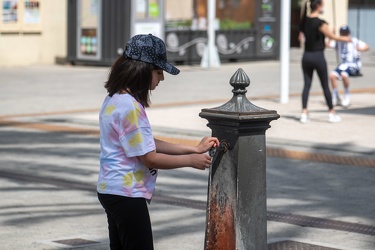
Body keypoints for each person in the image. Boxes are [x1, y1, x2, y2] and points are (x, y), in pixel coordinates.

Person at [97, 34, 220, 250]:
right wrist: (191, 160)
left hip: (111, 189)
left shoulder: (115, 98)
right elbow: (149, 158)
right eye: (158, 71)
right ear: (142, 70)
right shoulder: (130, 108)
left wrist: (193, 148)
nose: (161, 78)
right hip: (127, 194)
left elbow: (145, 143)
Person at [298, 0, 351, 123]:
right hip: (318, 57)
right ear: (318, 6)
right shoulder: (321, 23)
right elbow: (332, 37)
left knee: (306, 85)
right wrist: (345, 38)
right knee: (325, 86)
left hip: (306, 56)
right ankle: (331, 112)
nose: (323, 8)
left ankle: (304, 113)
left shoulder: (304, 21)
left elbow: (303, 36)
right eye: (322, 5)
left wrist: (328, 34)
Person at [328, 25, 369, 107]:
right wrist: (331, 35)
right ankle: (335, 96)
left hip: (353, 65)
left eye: (345, 33)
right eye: (342, 33)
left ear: (349, 33)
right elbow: (328, 45)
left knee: (344, 75)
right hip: (343, 65)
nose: (344, 35)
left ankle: (347, 96)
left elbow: (366, 46)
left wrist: (360, 49)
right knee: (332, 75)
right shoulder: (338, 42)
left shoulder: (354, 41)